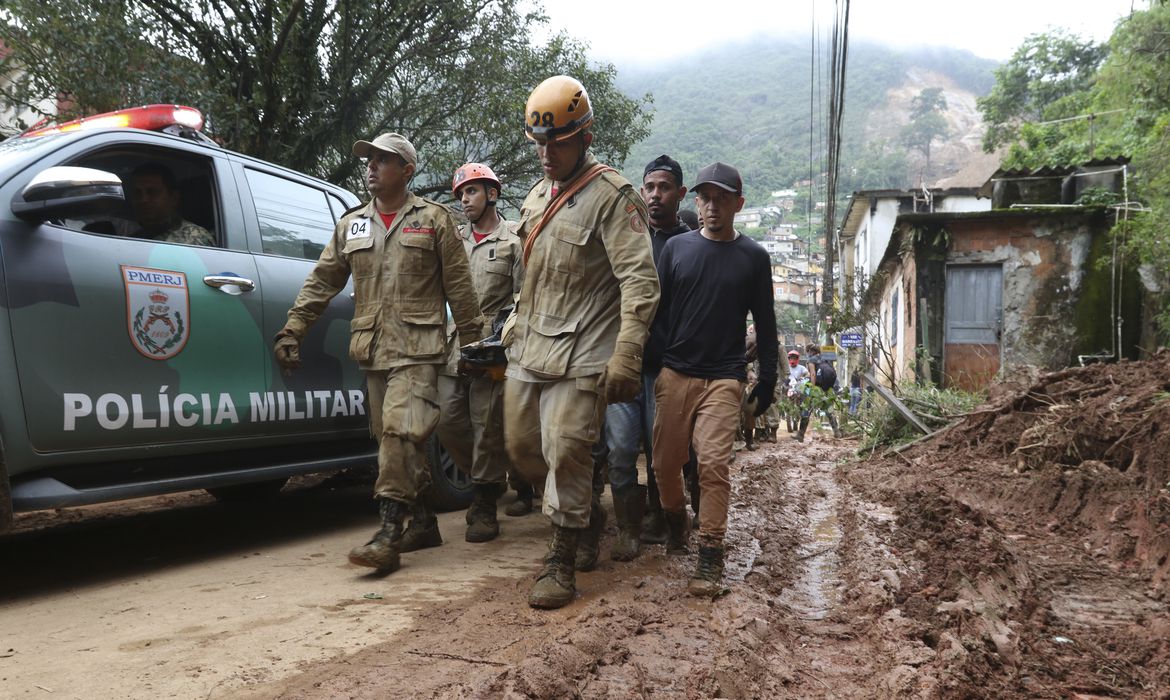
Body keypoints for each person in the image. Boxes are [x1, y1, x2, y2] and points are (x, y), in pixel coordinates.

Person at [274, 133, 484, 575]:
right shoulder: (353, 225)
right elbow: (323, 280)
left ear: (407, 171)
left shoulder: (434, 220)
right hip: (374, 350)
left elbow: (461, 289)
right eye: (368, 160)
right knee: (396, 437)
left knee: (400, 432)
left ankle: (388, 533)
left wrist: (475, 347)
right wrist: (294, 328)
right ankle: (424, 521)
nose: (371, 167)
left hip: (420, 349)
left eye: (382, 160)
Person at [504, 75, 660, 609]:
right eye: (541, 143)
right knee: (525, 450)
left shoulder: (613, 198)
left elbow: (641, 283)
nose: (547, 153)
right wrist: (507, 328)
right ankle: (588, 511)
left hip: (587, 350)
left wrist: (626, 356)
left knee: (567, 448)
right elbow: (530, 276)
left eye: (559, 142)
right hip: (531, 346)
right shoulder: (533, 198)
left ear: (585, 137)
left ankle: (561, 557)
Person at [651, 162, 778, 597]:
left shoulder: (754, 257)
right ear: (696, 202)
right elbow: (658, 313)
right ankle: (675, 520)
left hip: (725, 378)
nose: (712, 206)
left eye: (722, 198)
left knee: (712, 464)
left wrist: (767, 382)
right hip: (675, 374)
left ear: (738, 204)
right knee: (665, 466)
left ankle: (710, 552)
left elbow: (765, 321)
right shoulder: (677, 250)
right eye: (705, 198)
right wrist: (652, 361)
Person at [600, 154, 691, 564]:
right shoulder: (627, 237)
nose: (655, 195)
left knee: (662, 452)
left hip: (666, 367)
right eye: (649, 187)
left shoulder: (691, 247)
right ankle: (628, 527)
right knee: (619, 449)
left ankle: (661, 516)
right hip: (624, 361)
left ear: (680, 194)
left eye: (664, 187)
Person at [435, 163, 524, 543]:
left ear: (491, 193)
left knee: (487, 424)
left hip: (492, 347)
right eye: (461, 194)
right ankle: (490, 475)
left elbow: (523, 296)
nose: (465, 200)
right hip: (455, 343)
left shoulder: (514, 242)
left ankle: (485, 503)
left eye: (472, 191)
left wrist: (507, 337)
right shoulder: (453, 242)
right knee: (448, 420)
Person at [127, 162, 214, 246]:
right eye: (137, 193)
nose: (143, 200)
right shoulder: (134, 239)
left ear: (174, 198)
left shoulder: (193, 239)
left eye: (152, 192)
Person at [805, 343, 842, 438]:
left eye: (808, 351)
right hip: (829, 384)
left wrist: (812, 389)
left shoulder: (811, 360)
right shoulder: (824, 358)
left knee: (807, 406)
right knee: (827, 406)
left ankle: (801, 432)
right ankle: (836, 431)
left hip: (819, 385)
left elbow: (813, 374)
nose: (807, 353)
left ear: (810, 351)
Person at [786, 349, 812, 441]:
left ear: (797, 359)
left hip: (799, 388)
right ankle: (788, 416)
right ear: (789, 359)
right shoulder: (787, 367)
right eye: (791, 358)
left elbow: (808, 374)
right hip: (789, 387)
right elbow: (783, 376)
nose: (792, 360)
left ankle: (798, 424)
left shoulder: (801, 368)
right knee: (786, 403)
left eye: (794, 358)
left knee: (802, 406)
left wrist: (803, 379)